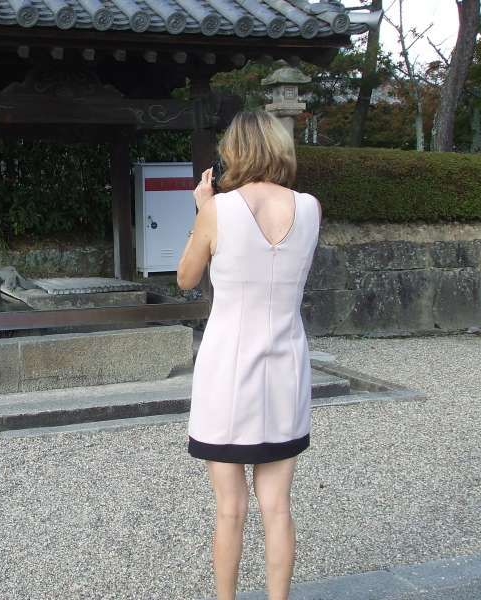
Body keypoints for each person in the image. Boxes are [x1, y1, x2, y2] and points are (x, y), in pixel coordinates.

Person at [177, 111, 321, 600]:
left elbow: (186, 278)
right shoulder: (310, 207)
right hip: (287, 363)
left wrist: (202, 208)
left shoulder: (219, 209)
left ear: (234, 152)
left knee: (229, 509)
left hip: (226, 371)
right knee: (277, 506)